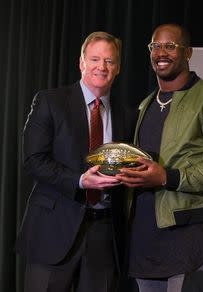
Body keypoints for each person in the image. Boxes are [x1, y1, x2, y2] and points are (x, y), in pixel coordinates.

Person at [116, 23, 203, 292]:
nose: (161, 52)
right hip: (145, 238)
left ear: (188, 52)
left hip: (189, 237)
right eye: (155, 46)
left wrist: (167, 177)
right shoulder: (145, 104)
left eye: (170, 46)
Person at [16, 31, 136, 292]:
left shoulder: (128, 115)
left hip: (104, 235)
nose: (101, 67)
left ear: (118, 68)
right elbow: (33, 160)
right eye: (94, 59)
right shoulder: (49, 101)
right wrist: (80, 180)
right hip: (52, 230)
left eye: (109, 61)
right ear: (81, 62)